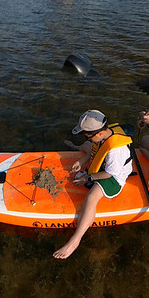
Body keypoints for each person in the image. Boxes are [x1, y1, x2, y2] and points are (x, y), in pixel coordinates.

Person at [53, 109, 133, 259]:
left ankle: (75, 241)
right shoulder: (102, 136)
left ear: (99, 133)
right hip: (104, 166)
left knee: (91, 198)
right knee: (87, 146)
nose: (86, 137)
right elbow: (97, 151)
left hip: (115, 177)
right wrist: (82, 160)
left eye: (86, 135)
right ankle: (78, 148)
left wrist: (88, 178)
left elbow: (110, 174)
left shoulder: (116, 150)